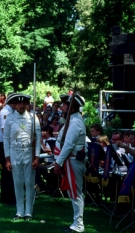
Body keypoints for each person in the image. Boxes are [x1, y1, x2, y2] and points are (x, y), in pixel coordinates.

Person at [3, 93, 41, 221]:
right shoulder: (9, 118)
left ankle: (28, 212)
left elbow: (38, 138)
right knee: (18, 182)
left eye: (24, 103)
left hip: (28, 152)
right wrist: (7, 159)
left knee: (29, 183)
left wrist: (37, 157)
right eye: (19, 103)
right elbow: (6, 139)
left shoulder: (33, 118)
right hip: (15, 152)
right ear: (15, 105)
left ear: (27, 104)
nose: (21, 106)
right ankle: (19, 211)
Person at [54, 94, 86, 232]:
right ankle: (76, 223)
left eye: (65, 105)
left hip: (72, 161)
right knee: (74, 193)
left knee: (75, 194)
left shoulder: (75, 123)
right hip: (69, 161)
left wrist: (58, 163)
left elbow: (68, 145)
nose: (62, 107)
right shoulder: (71, 120)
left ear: (71, 107)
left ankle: (78, 225)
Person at [0, 93, 16, 205]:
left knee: (8, 171)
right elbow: (5, 131)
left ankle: (7, 196)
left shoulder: (11, 112)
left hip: (7, 143)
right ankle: (8, 197)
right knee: (8, 170)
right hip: (4, 143)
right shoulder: (5, 112)